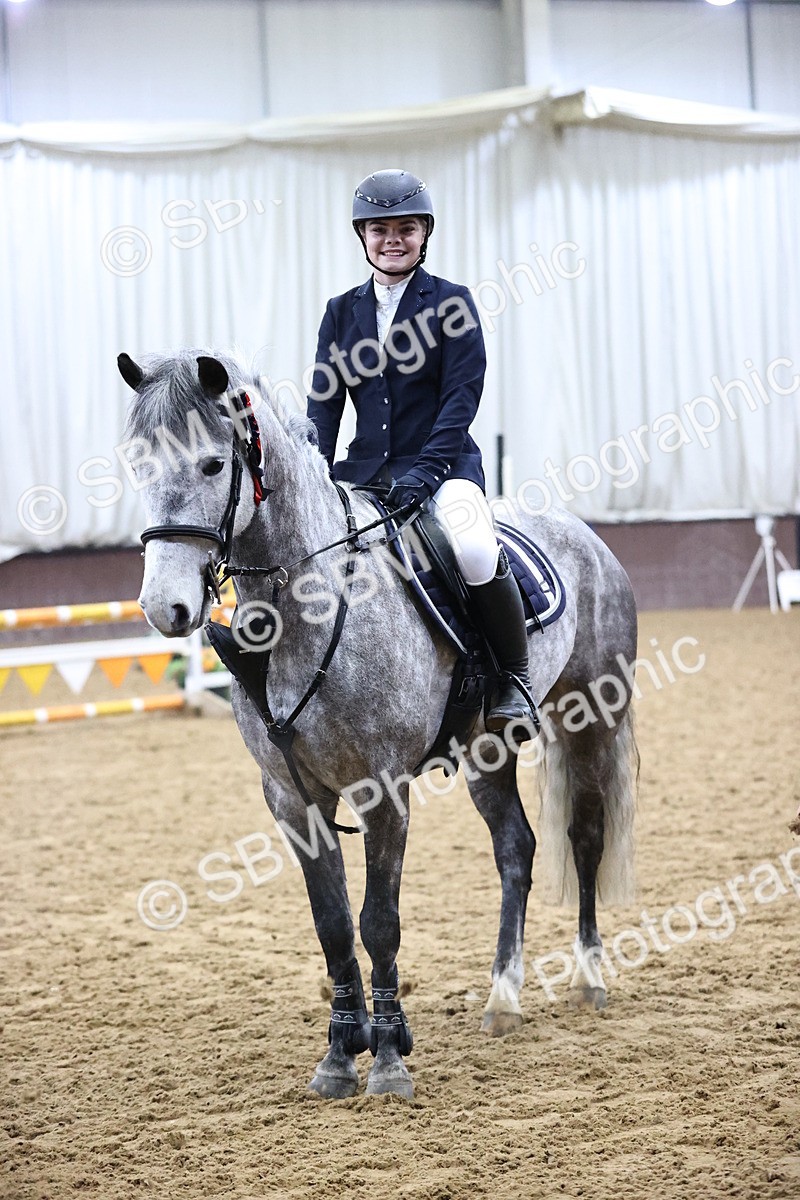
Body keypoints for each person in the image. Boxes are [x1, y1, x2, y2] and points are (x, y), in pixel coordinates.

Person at [307, 168, 534, 734]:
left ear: (424, 233)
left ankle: (513, 676)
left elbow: (462, 396)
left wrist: (428, 471)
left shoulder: (451, 302)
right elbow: (325, 401)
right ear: (362, 236)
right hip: (364, 473)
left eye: (406, 228)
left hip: (446, 465)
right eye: (380, 229)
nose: (393, 239)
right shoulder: (341, 311)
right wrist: (316, 474)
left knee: (477, 549)